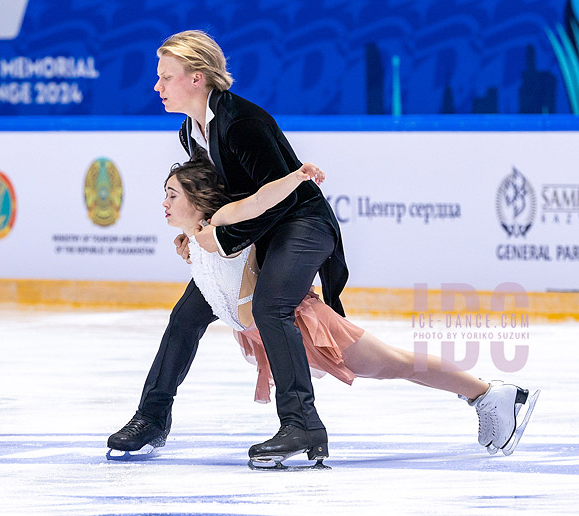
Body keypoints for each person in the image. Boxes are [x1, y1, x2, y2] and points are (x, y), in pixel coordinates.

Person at [158, 149, 539, 463]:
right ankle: (303, 434)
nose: (165, 203)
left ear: (199, 198)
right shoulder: (194, 242)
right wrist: (191, 251)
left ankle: (489, 394)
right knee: (392, 365)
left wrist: (295, 176)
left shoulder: (223, 223)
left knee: (395, 364)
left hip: (303, 323)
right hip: (267, 332)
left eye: (173, 194)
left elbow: (258, 202)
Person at [107, 30, 349, 464]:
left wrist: (222, 239)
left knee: (271, 306)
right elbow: (216, 197)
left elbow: (283, 196)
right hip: (258, 231)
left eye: (166, 77)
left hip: (303, 223)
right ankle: (152, 416)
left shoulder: (242, 123)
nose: (156, 86)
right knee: (186, 314)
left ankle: (302, 424)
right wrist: (196, 230)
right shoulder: (191, 131)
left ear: (197, 78)